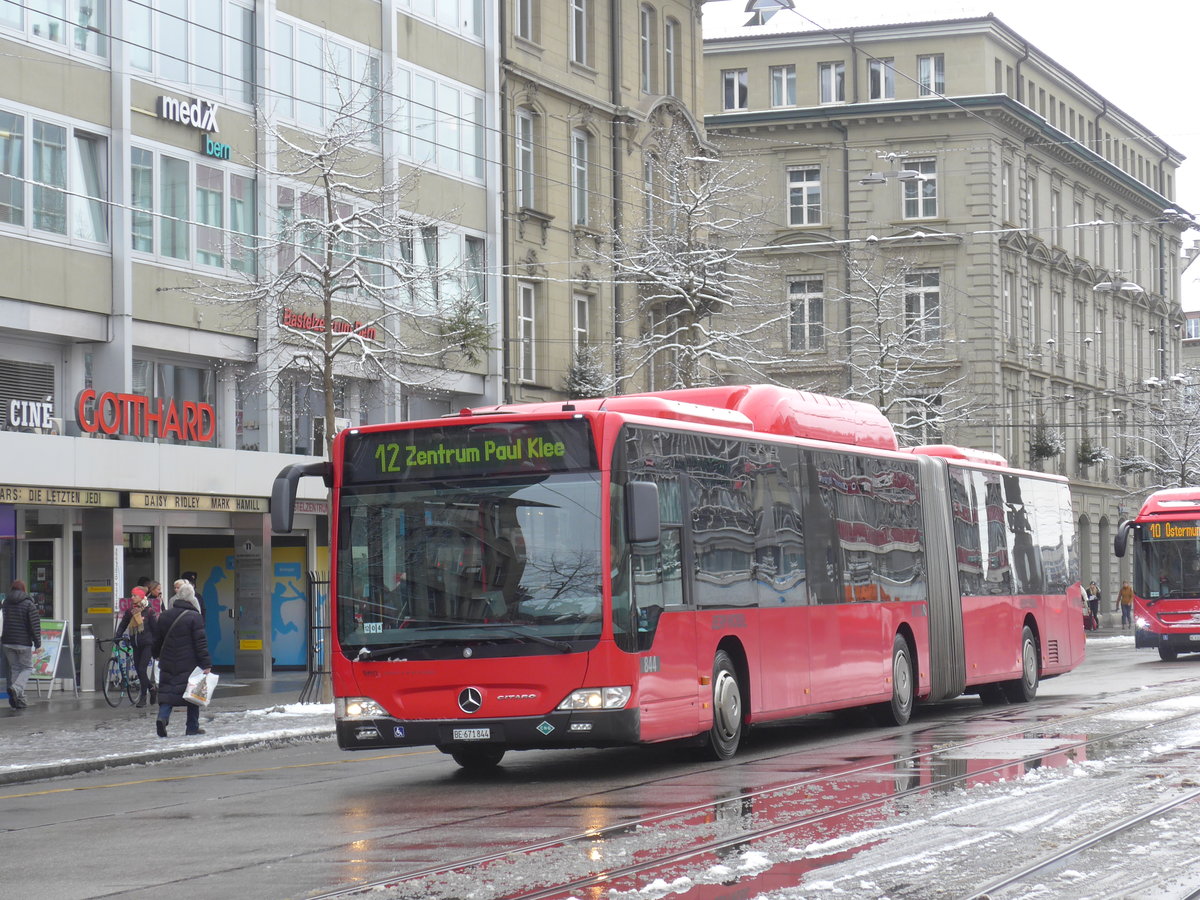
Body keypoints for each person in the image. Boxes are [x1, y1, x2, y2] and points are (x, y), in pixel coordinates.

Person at [151, 579, 212, 737]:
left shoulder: (165, 615)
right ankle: (192, 727)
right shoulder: (194, 617)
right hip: (189, 661)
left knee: (167, 691)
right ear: (192, 598)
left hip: (167, 660)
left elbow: (157, 638)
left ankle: (162, 718)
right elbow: (201, 643)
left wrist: (156, 654)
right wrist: (206, 663)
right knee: (192, 693)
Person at [114, 586, 158, 707]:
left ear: (141, 597)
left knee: (142, 669)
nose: (132, 598)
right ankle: (151, 688)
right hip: (136, 644)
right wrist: (117, 636)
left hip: (147, 644)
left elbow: (156, 629)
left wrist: (155, 644)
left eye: (135, 595)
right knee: (139, 670)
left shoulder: (149, 611)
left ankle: (143, 697)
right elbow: (123, 625)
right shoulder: (130, 611)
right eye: (132, 595)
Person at [2, 580, 42, 709]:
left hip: (7, 642)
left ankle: (18, 700)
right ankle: (17, 688)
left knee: (15, 668)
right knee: (27, 668)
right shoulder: (28, 604)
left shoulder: (5, 603)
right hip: (23, 642)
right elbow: (34, 625)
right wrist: (37, 642)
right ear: (24, 589)